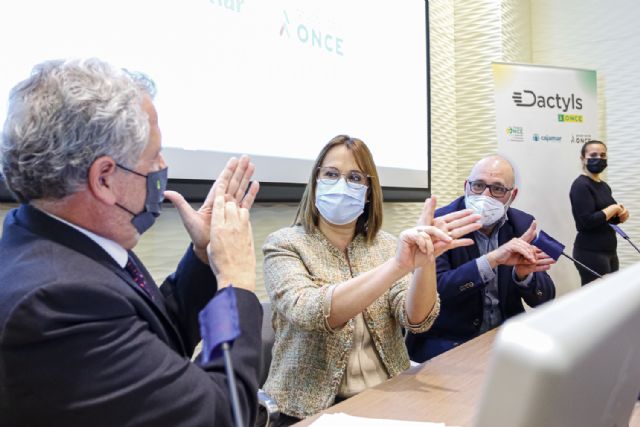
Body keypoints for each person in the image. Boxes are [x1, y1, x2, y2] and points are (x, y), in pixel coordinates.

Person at [0, 58, 262, 426]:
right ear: (104, 178)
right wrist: (235, 283)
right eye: (153, 155)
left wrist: (204, 257)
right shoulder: (57, 302)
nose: (162, 166)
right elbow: (222, 413)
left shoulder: (59, 238)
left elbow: (153, 336)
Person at [260, 135, 481, 424]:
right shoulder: (284, 244)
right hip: (309, 409)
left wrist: (425, 261)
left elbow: (417, 320)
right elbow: (311, 312)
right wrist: (397, 266)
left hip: (389, 395)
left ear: (367, 191)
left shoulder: (386, 246)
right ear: (315, 182)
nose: (341, 184)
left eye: (354, 177)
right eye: (330, 174)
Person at [406, 155, 557, 363]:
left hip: (505, 339)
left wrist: (524, 276)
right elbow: (436, 292)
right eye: (478, 185)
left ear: (512, 195)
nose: (485, 195)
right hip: (449, 340)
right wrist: (491, 260)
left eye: (497, 189)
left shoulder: (522, 224)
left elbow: (545, 298)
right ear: (466, 186)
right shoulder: (441, 223)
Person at [569, 140, 629, 285]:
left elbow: (607, 219)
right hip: (590, 252)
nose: (599, 159)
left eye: (603, 155)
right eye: (593, 155)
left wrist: (620, 216)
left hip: (609, 250)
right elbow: (587, 222)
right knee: (596, 299)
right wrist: (613, 208)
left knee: (612, 297)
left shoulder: (604, 186)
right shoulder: (580, 185)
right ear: (583, 158)